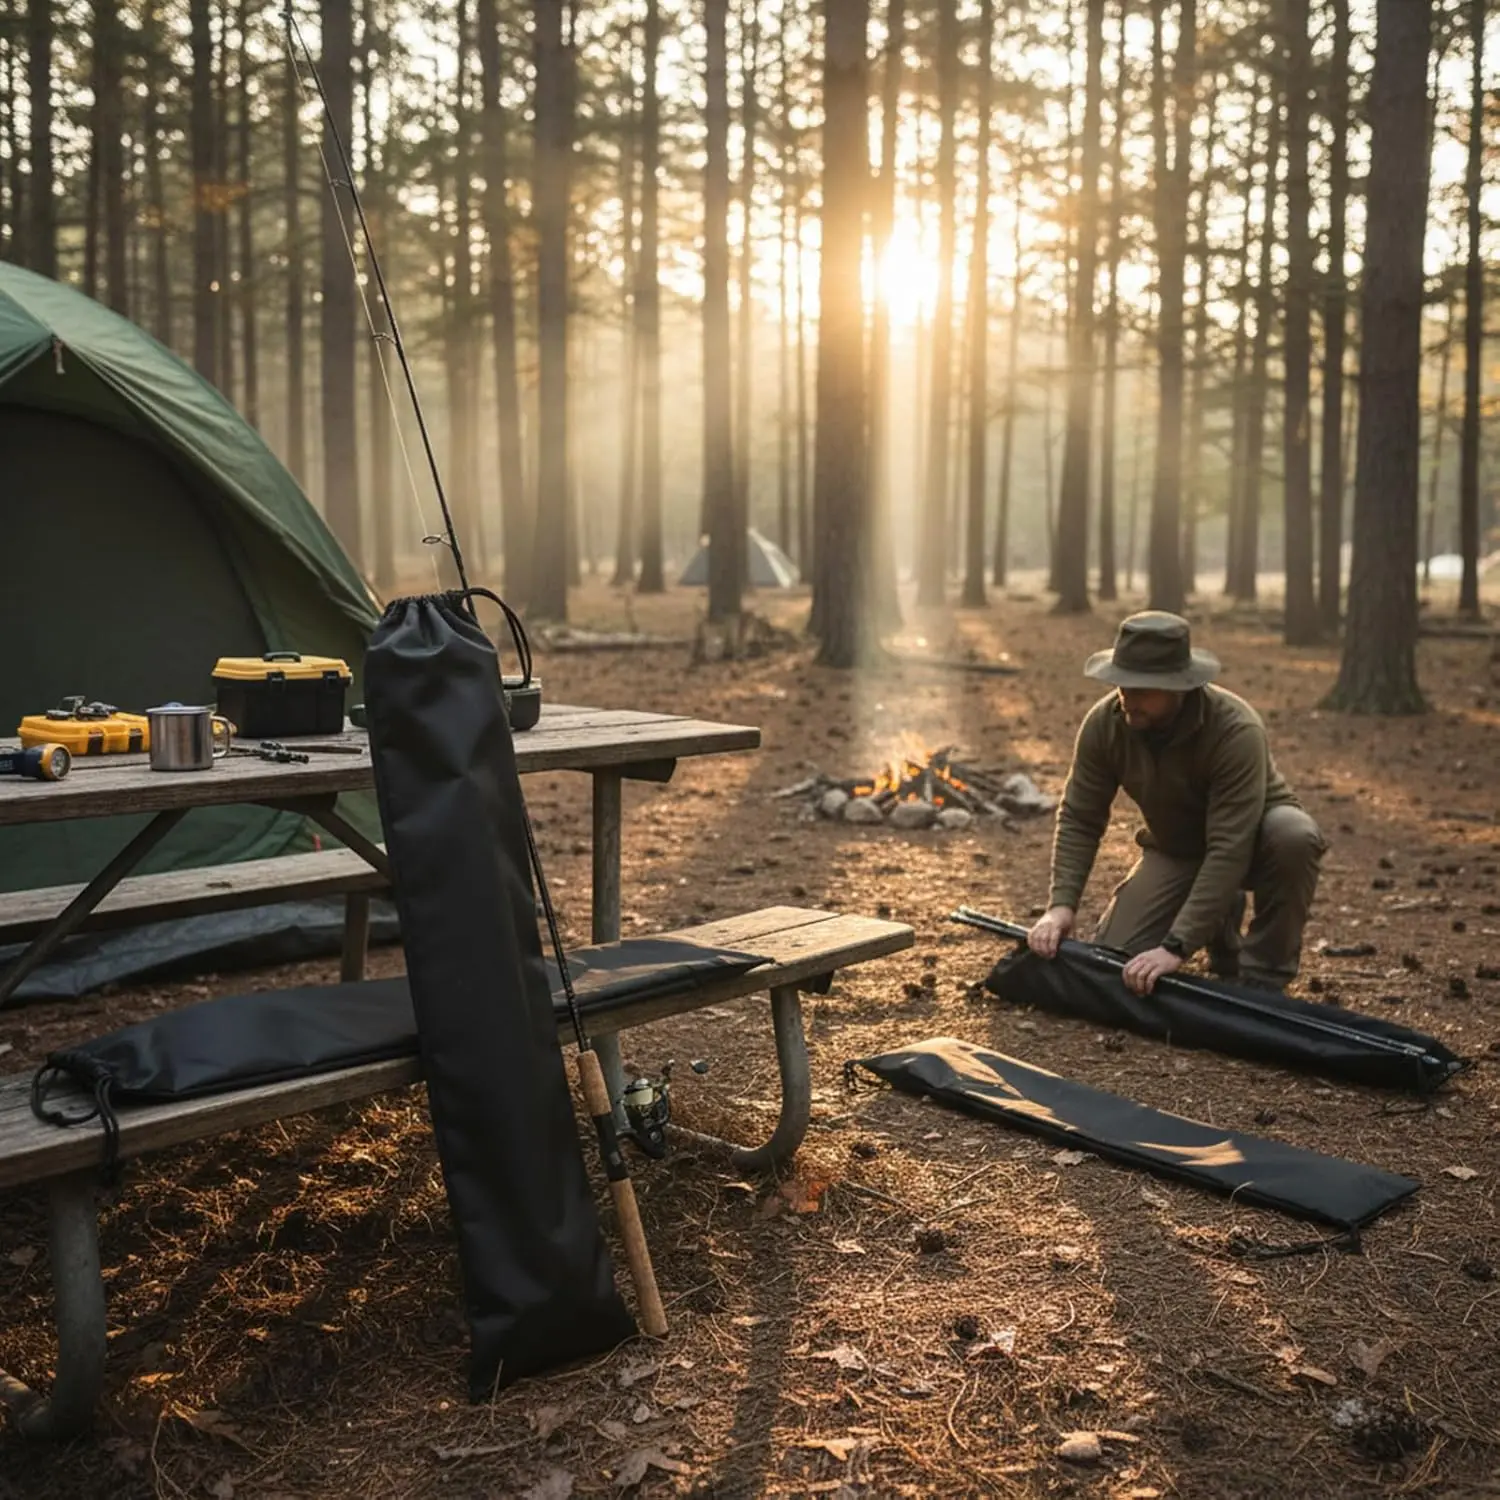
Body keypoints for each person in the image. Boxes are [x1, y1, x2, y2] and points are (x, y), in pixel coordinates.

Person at [1028, 611, 1325, 995]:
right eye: (1122, 684)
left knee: (1294, 835)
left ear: (1180, 688)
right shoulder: (1105, 724)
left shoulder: (1235, 730)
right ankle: (1220, 917)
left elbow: (1229, 846)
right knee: (1115, 958)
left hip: (1251, 844)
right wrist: (1061, 905)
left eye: (1143, 689)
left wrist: (1176, 946)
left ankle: (1263, 978)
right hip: (1179, 848)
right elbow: (1080, 818)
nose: (1128, 698)